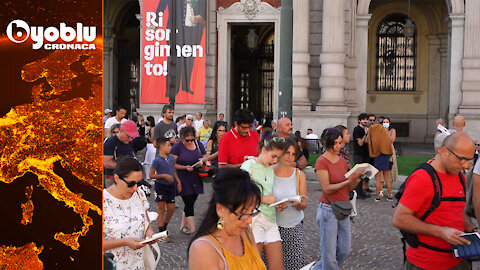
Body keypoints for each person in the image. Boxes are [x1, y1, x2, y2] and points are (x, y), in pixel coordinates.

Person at [392, 132, 477, 270]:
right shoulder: (422, 179)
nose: (466, 165)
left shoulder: (460, 177)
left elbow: (458, 211)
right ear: (444, 152)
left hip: (459, 261)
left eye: (470, 160)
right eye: (462, 159)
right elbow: (399, 219)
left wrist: (473, 229)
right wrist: (441, 232)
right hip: (426, 263)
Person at [188, 168, 266, 270]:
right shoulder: (204, 249)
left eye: (251, 212)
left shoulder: (246, 233)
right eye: (242, 214)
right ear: (220, 209)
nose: (249, 220)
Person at [313, 128, 364, 270]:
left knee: (344, 250)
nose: (338, 146)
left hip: (343, 208)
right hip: (328, 209)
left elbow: (348, 188)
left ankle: (315, 269)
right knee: (329, 255)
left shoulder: (342, 161)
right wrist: (348, 182)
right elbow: (327, 188)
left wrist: (356, 180)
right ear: (326, 143)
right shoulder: (322, 162)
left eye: (340, 143)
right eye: (334, 143)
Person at [103, 156, 157, 270]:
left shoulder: (139, 194)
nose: (135, 188)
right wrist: (125, 242)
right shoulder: (102, 201)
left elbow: (147, 222)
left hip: (138, 265)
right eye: (131, 183)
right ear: (117, 178)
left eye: (139, 183)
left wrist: (149, 233)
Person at [241, 136, 286, 270]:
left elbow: (269, 192)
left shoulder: (271, 168)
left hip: (271, 219)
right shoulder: (248, 166)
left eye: (278, 157)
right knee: (255, 266)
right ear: (263, 150)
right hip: (255, 220)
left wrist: (277, 203)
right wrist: (263, 199)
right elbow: (239, 195)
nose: (275, 160)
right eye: (273, 156)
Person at [273, 139, 308, 270]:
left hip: (293, 227)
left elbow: (304, 203)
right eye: (287, 152)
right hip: (272, 226)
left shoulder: (299, 175)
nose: (290, 157)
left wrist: (297, 204)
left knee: (294, 265)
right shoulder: (269, 172)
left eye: (294, 154)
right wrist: (275, 204)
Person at [172, 126, 208, 235]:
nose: (190, 141)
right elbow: (172, 164)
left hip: (196, 177)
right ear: (182, 138)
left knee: (191, 202)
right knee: (189, 203)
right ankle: (194, 231)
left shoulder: (198, 144)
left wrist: (202, 161)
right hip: (183, 177)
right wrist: (184, 167)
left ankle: (183, 226)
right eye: (187, 140)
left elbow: (205, 155)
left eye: (191, 139)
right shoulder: (177, 147)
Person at [149, 137, 181, 243]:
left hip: (171, 186)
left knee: (171, 208)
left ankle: (164, 226)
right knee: (161, 208)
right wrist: (163, 176)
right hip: (160, 186)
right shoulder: (156, 160)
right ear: (162, 147)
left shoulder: (171, 158)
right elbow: (151, 175)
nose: (170, 147)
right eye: (168, 145)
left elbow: (173, 170)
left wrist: (178, 181)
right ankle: (161, 231)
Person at [103, 120, 139, 185]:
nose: (131, 139)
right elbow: (106, 163)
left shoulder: (129, 142)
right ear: (121, 131)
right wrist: (126, 167)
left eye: (132, 137)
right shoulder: (110, 142)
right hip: (113, 178)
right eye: (129, 136)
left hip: (127, 177)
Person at [368, 123, 393, 202]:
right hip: (385, 157)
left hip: (377, 157)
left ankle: (378, 196)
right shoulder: (385, 137)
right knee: (387, 178)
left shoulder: (375, 138)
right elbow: (390, 149)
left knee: (378, 178)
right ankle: (389, 195)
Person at [352, 113, 371, 198]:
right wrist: (366, 134)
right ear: (360, 120)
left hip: (366, 155)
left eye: (366, 119)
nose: (365, 121)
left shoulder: (367, 129)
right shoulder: (357, 129)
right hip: (359, 155)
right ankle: (358, 193)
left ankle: (362, 192)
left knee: (363, 175)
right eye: (363, 119)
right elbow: (360, 143)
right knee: (358, 175)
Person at [383, 117, 398, 182]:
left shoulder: (392, 130)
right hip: (382, 149)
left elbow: (392, 140)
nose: (385, 123)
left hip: (390, 149)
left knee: (390, 165)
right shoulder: (380, 131)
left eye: (387, 122)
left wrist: (386, 131)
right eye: (384, 122)